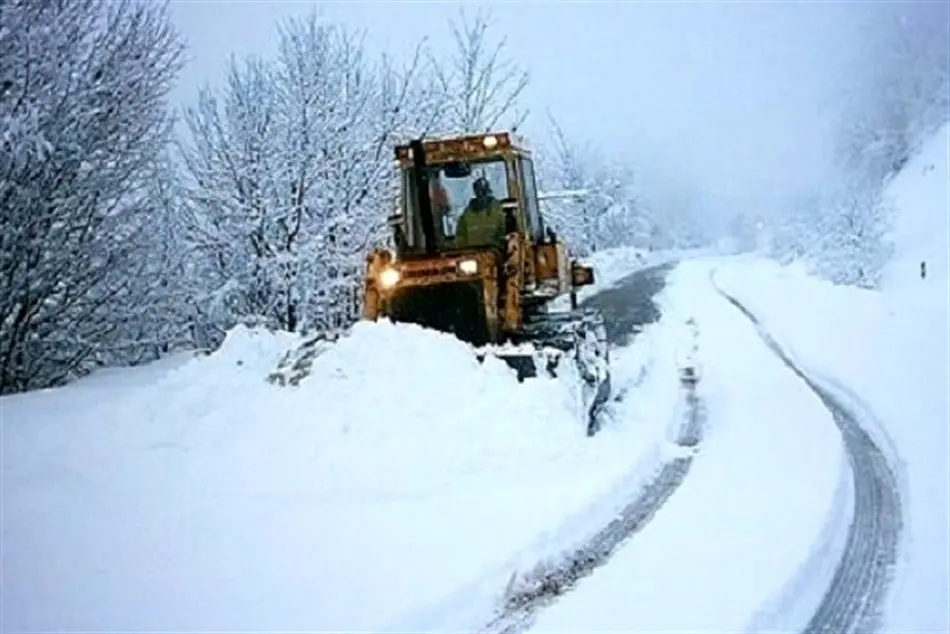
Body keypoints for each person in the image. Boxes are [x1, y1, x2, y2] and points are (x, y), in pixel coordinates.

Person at [455, 176, 507, 249]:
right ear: (475, 192)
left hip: (495, 255)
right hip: (473, 255)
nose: (482, 195)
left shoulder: (500, 213)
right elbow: (460, 239)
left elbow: (506, 236)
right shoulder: (466, 216)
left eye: (484, 191)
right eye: (479, 191)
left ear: (488, 191)